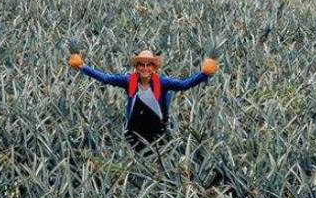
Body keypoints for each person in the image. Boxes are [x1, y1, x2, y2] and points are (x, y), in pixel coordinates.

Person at [69, 49, 218, 148]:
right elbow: (106, 78)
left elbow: (184, 85)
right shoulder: (129, 81)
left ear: (154, 68)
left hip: (158, 128)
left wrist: (204, 74)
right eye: (141, 65)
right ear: (137, 67)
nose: (145, 68)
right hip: (134, 128)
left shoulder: (162, 83)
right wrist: (82, 66)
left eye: (148, 65)